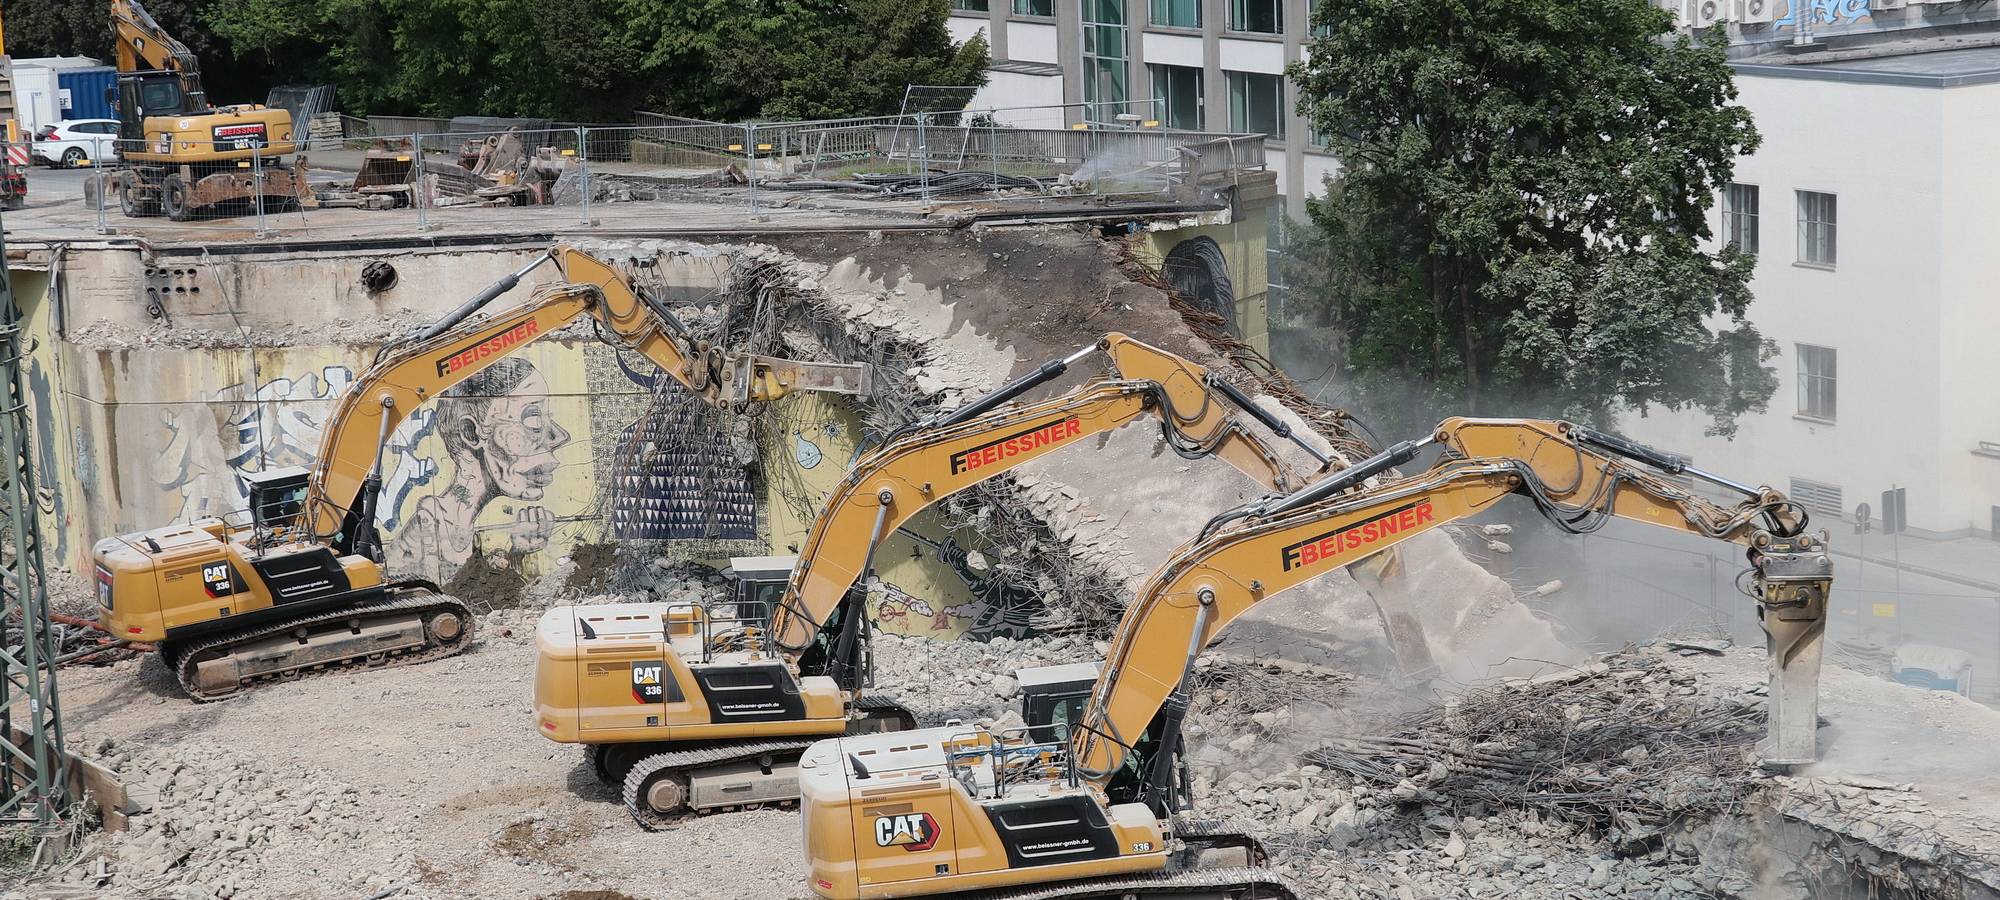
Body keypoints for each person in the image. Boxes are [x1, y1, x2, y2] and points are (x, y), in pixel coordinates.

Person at [386, 358, 572, 582]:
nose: (560, 436)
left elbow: (476, 592)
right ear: (470, 432)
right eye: (533, 418)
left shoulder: (461, 530)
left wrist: (517, 554)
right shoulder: (426, 530)